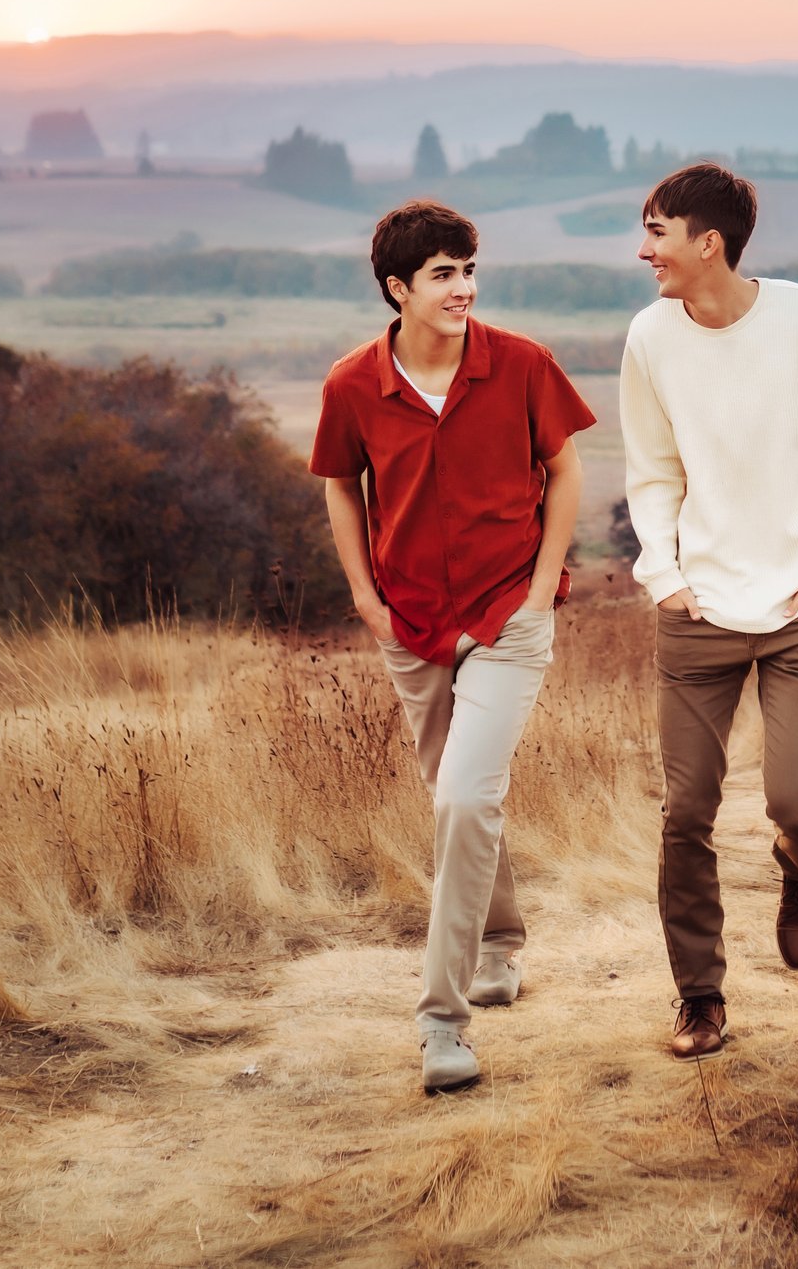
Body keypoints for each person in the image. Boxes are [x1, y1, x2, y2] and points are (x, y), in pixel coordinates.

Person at [311, 200, 595, 1095]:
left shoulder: (520, 364)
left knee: (466, 799)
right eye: (442, 273)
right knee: (455, 800)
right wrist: (365, 597)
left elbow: (566, 468)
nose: (463, 288)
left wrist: (546, 581)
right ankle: (501, 943)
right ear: (398, 289)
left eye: (469, 269)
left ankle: (442, 1024)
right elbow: (340, 488)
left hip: (510, 613)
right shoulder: (353, 383)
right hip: (411, 623)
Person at [620, 163, 798, 1060]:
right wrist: (667, 579)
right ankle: (700, 997)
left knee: (796, 799)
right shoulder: (650, 337)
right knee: (685, 811)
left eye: (657, 231)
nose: (644, 248)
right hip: (697, 613)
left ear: (709, 244)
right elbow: (651, 470)